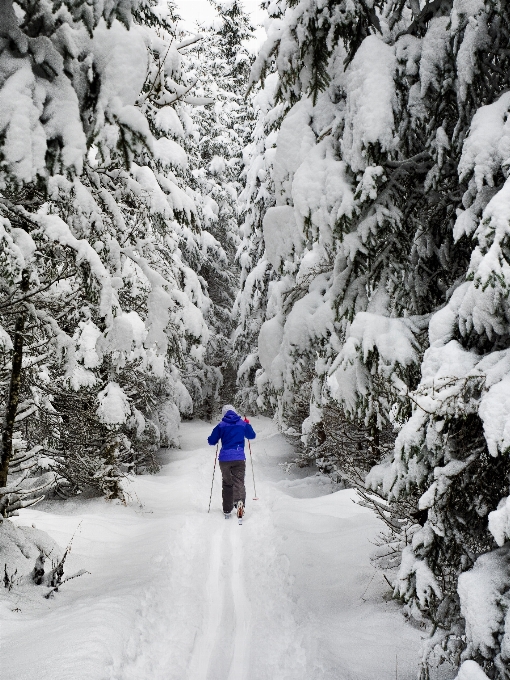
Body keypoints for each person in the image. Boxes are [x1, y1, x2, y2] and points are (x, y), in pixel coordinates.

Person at [208, 405, 256, 519]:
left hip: (224, 459)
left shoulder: (221, 425)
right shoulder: (242, 424)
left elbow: (211, 441)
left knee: (227, 483)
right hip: (239, 458)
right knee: (239, 482)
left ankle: (227, 510)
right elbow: (252, 435)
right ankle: (240, 504)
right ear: (235, 412)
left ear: (224, 414)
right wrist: (247, 424)